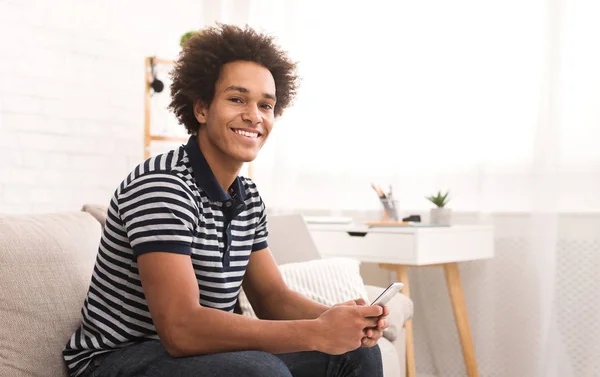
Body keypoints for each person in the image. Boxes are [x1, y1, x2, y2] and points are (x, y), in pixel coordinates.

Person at [63, 23, 389, 377]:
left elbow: (271, 298)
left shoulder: (246, 197)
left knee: (357, 355)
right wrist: (316, 332)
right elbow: (180, 329)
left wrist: (342, 321)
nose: (254, 116)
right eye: (237, 99)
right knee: (260, 372)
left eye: (266, 105)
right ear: (201, 109)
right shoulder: (162, 187)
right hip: (117, 360)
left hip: (199, 357)